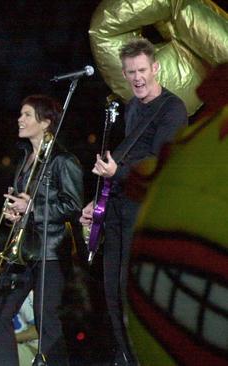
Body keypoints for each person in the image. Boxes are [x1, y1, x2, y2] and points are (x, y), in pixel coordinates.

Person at [80, 38, 188, 365]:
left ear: (155, 68)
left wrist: (118, 172)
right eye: (131, 72)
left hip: (144, 217)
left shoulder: (172, 109)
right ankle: (126, 358)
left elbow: (160, 165)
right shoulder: (132, 108)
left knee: (135, 299)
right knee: (112, 294)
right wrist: (97, 201)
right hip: (117, 213)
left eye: (142, 70)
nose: (137, 77)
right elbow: (127, 160)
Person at [0, 94, 83, 366]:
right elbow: (25, 203)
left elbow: (72, 206)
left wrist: (32, 209)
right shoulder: (25, 159)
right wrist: (13, 214)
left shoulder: (62, 161)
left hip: (50, 252)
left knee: (47, 321)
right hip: (23, 251)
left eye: (27, 115)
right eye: (21, 114)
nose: (20, 119)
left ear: (46, 122)